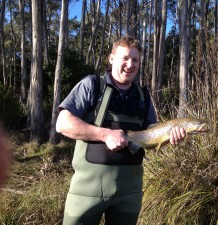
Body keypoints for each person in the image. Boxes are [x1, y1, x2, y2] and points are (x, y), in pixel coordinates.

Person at [56, 36, 186, 225]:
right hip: (86, 191)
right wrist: (106, 134)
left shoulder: (144, 97)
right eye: (124, 58)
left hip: (129, 193)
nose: (130, 64)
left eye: (135, 60)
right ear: (111, 58)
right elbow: (63, 124)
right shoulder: (92, 85)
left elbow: (149, 141)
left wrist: (169, 139)